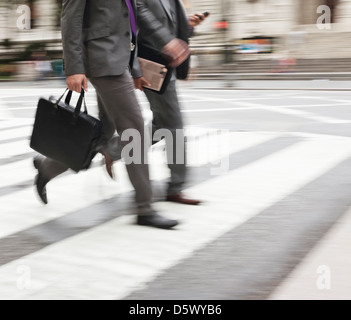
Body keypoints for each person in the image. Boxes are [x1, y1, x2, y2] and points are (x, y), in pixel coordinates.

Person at [33, 0, 178, 230]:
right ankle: (145, 209)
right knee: (135, 131)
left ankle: (47, 168)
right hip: (101, 60)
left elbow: (131, 17)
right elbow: (71, 19)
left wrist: (136, 69)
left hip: (120, 61)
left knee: (101, 133)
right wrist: (73, 67)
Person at [133, 0, 209, 205]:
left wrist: (188, 25)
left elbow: (170, 26)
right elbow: (141, 19)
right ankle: (175, 187)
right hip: (150, 65)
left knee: (162, 124)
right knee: (174, 125)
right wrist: (167, 41)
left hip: (166, 67)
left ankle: (111, 149)